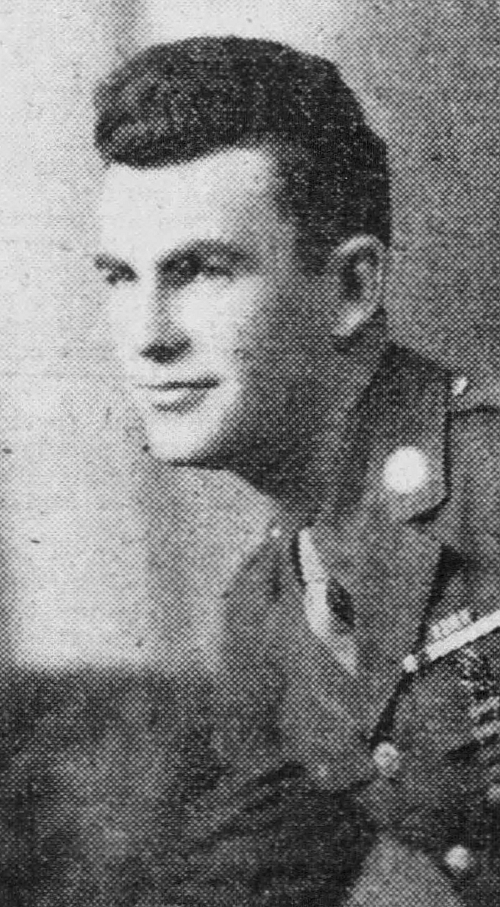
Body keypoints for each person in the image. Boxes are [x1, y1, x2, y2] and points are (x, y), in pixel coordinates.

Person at [6, 34, 498, 906]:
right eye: (120, 277)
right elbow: (250, 875)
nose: (148, 335)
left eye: (199, 270)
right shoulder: (267, 613)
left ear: (351, 287)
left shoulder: (488, 480)